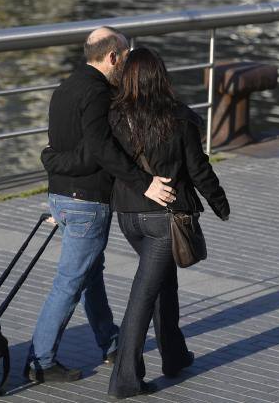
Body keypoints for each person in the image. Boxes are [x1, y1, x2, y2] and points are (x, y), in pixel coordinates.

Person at [26, 27, 176, 383]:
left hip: (63, 196)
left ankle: (110, 343)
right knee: (70, 282)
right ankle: (40, 361)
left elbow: (62, 146)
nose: (128, 61)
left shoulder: (66, 87)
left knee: (91, 275)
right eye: (126, 55)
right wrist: (145, 184)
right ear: (113, 57)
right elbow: (101, 149)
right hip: (85, 201)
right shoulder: (97, 93)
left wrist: (52, 166)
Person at [106, 47, 230, 398]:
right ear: (160, 76)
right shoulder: (178, 118)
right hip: (164, 220)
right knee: (142, 297)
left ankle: (174, 356)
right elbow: (199, 168)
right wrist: (219, 203)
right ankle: (125, 380)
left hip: (128, 217)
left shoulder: (115, 116)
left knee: (164, 284)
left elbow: (109, 160)